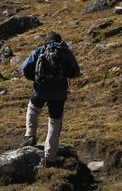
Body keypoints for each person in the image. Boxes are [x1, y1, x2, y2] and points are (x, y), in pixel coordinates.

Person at [20, 31, 81, 167]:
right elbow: (75, 71)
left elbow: (25, 68)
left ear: (46, 41)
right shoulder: (65, 52)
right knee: (54, 122)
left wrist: (35, 79)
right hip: (59, 93)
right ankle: (50, 158)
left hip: (40, 90)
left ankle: (30, 136)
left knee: (33, 109)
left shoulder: (40, 50)